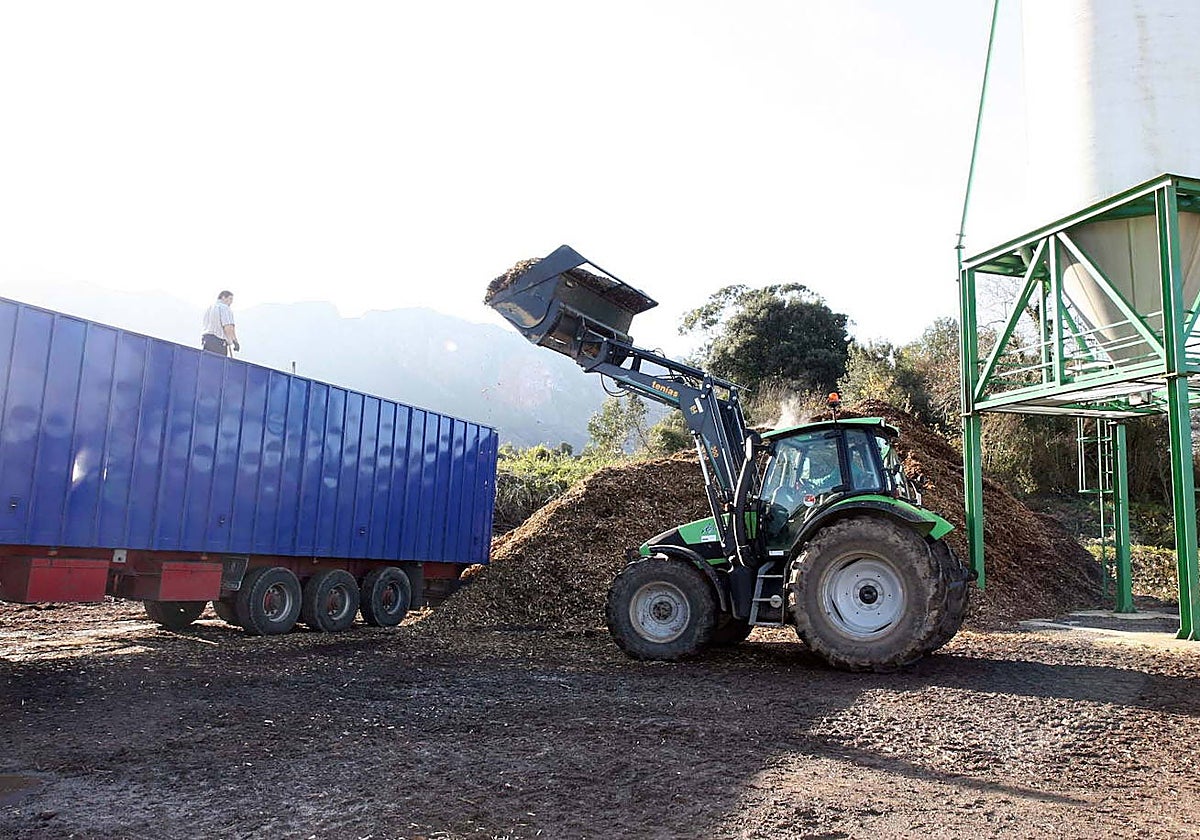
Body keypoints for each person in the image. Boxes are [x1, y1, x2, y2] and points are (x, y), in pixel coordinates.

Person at [201, 291, 240, 356]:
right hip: (218, 342)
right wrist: (234, 341)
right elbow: (228, 326)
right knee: (218, 363)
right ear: (223, 297)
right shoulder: (224, 308)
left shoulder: (209, 308)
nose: (231, 302)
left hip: (206, 339)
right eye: (230, 299)